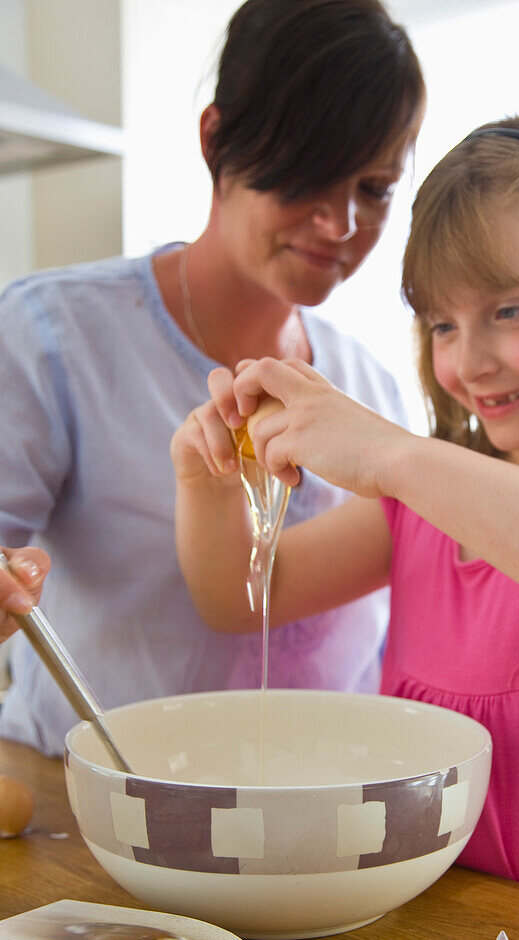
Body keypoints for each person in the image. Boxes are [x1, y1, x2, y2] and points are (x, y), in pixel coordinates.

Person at [171, 106, 519, 915]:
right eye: (442, 324)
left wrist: (397, 455)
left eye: (510, 310)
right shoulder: (426, 505)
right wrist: (207, 482)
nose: (466, 362)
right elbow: (240, 596)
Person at [0, 0, 425, 756]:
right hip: (94, 804)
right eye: (308, 175)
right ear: (217, 140)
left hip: (318, 813)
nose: (339, 225)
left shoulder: (372, 384)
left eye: (373, 188)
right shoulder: (53, 337)